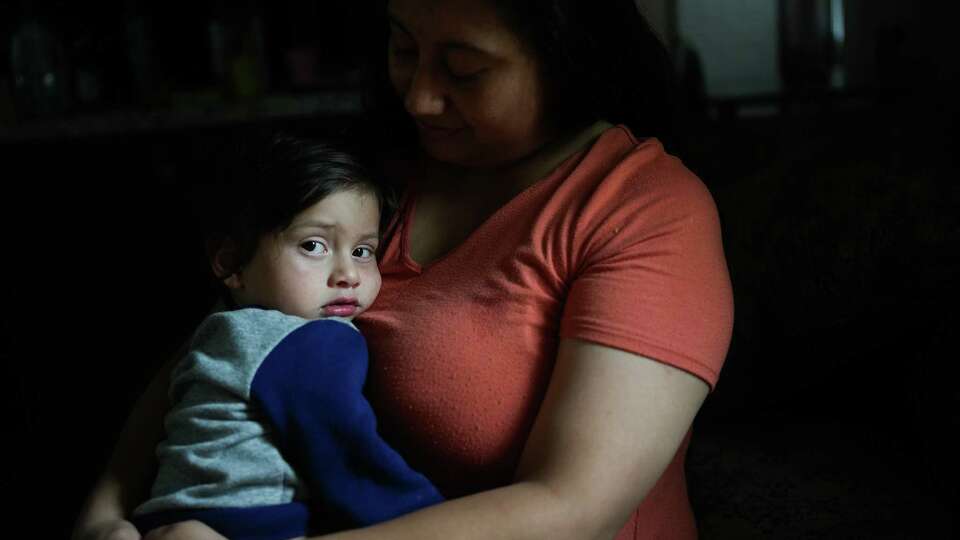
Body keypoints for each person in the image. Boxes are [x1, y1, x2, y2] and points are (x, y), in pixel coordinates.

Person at [73, 1, 734, 539]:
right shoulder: (369, 180)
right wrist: (106, 515)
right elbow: (225, 348)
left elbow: (573, 510)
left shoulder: (642, 209)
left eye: (463, 68)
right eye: (403, 48)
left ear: (567, 60)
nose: (418, 97)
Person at [127, 134, 442, 540]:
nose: (347, 273)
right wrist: (429, 515)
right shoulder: (309, 338)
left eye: (364, 251)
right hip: (252, 519)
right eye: (314, 246)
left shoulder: (218, 328)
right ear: (232, 264)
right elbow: (344, 451)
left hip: (162, 513)